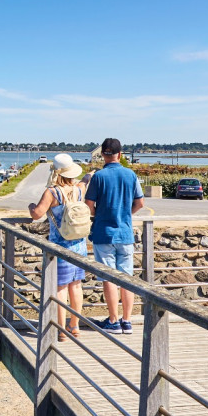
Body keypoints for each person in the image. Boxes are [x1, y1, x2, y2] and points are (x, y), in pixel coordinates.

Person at [84, 138, 144, 335]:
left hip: (103, 233)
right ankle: (127, 321)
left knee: (108, 278)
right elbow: (140, 203)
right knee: (127, 278)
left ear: (103, 154)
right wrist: (126, 214)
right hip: (125, 233)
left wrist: (98, 215)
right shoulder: (130, 174)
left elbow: (89, 204)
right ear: (120, 154)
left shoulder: (98, 177)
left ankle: (113, 320)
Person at [29, 154, 87, 342]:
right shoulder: (78, 190)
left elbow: (37, 214)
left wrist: (31, 206)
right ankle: (75, 326)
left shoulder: (52, 193)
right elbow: (86, 181)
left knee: (61, 288)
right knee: (76, 286)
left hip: (60, 246)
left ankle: (61, 330)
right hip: (79, 245)